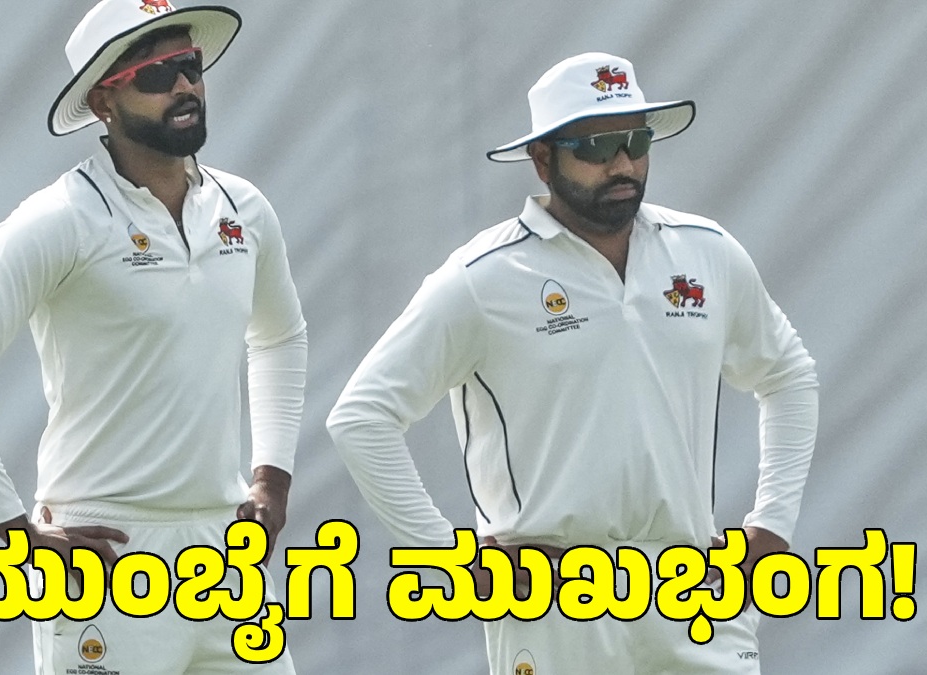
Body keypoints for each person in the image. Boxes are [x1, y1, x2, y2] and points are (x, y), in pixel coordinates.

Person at [327, 52, 818, 674]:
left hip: (696, 593)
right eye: (596, 146)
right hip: (555, 602)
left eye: (636, 141)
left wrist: (772, 525)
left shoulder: (707, 252)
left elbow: (787, 374)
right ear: (543, 159)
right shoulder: (483, 276)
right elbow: (362, 418)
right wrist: (449, 558)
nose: (623, 164)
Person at [0, 1, 306, 672]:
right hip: (104, 550)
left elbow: (280, 335)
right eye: (155, 74)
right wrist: (15, 532)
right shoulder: (57, 220)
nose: (184, 86)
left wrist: (271, 477)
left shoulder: (244, 209)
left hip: (226, 550)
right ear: (103, 101)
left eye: (190, 65)